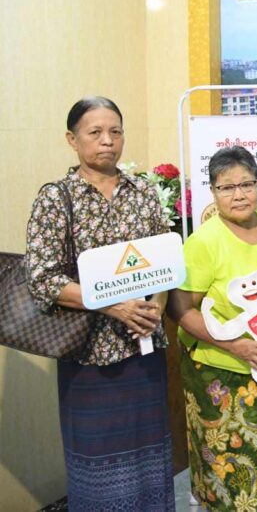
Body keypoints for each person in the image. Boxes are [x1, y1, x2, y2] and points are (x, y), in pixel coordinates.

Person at [25, 96, 175, 511]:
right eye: (95, 132)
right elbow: (42, 278)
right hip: (88, 356)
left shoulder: (143, 192)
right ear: (72, 140)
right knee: (98, 464)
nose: (108, 141)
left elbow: (164, 262)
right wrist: (113, 305)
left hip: (144, 350)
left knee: (150, 458)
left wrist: (157, 307)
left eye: (115, 131)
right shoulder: (57, 198)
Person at [167, 145, 257, 511]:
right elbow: (180, 309)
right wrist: (236, 345)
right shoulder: (204, 241)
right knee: (230, 473)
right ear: (213, 192)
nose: (239, 195)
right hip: (218, 375)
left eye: (247, 184)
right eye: (227, 187)